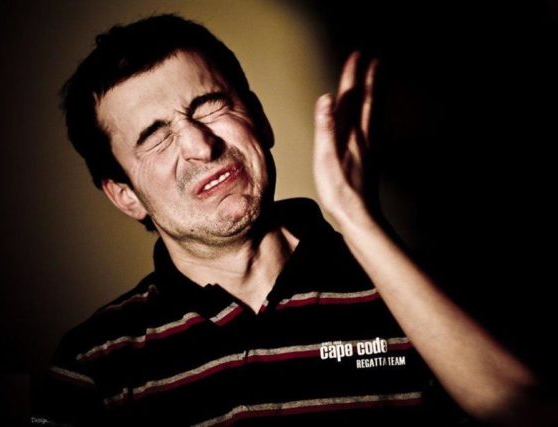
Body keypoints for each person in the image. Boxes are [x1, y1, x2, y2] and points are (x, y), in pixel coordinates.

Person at [31, 14, 553, 426]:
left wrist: (357, 219)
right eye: (156, 136)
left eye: (209, 106)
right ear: (126, 196)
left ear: (258, 119)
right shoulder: (91, 365)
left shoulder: (412, 291)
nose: (200, 146)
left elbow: (530, 413)